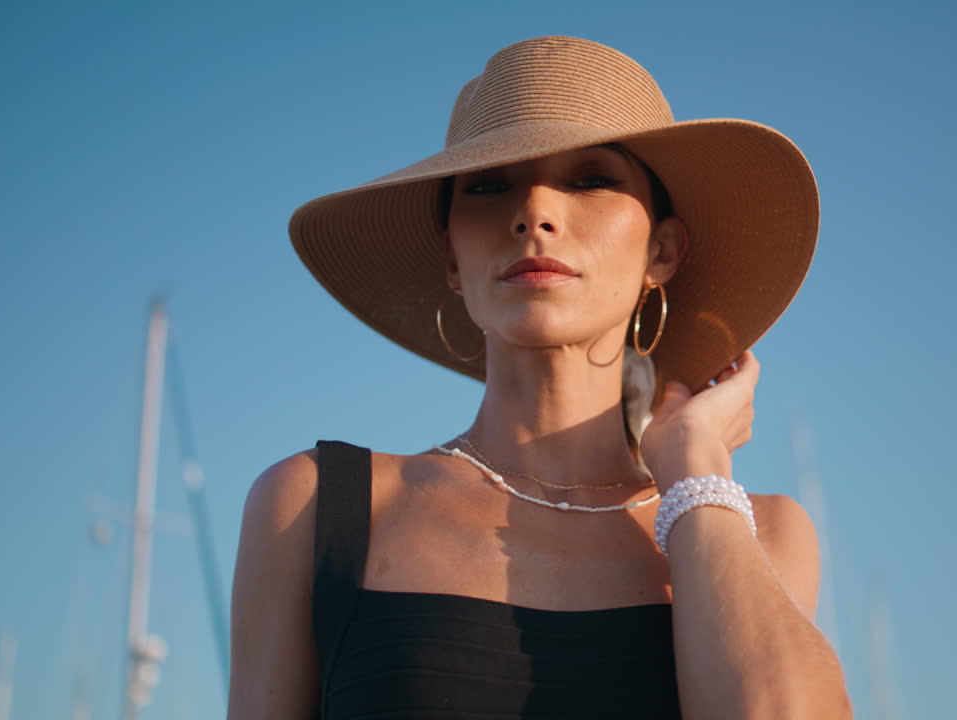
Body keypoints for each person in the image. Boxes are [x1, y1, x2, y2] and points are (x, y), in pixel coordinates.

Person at [228, 36, 851, 719]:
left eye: (590, 179)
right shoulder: (317, 509)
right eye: (490, 186)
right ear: (451, 259)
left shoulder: (761, 530)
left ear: (663, 250)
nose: (536, 214)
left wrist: (696, 471)